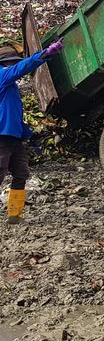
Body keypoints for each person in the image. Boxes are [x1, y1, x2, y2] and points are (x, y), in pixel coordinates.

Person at [1, 38, 64, 224]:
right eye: (11, 63)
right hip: (2, 137)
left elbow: (12, 114)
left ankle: (15, 216)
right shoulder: (1, 76)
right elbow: (21, 69)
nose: (13, 67)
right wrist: (44, 54)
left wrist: (29, 134)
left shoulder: (9, 87)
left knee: (21, 174)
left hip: (15, 137)